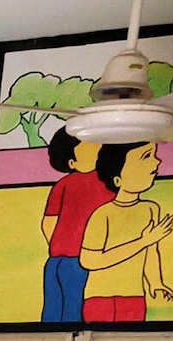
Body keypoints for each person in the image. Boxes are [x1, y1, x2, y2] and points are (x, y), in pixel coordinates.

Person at [80, 142, 173, 325]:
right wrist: (143, 241)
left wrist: (155, 283)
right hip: (100, 298)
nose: (157, 162)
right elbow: (89, 261)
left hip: (134, 296)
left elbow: (151, 253)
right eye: (146, 157)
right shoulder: (103, 215)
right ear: (118, 179)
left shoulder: (151, 208)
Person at [36, 128, 111, 327]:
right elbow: (49, 221)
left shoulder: (102, 181)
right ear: (72, 162)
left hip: (67, 256)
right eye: (88, 145)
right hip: (71, 258)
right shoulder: (74, 184)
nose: (97, 146)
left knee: (67, 305)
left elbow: (49, 222)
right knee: (60, 305)